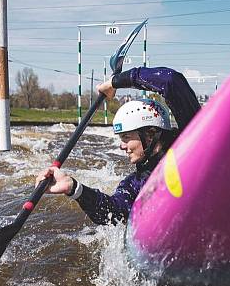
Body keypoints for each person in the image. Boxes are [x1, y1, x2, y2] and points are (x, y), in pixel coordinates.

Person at [36, 66, 201, 225]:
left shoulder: (191, 142)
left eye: (126, 137)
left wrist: (115, 82)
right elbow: (113, 213)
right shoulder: (134, 183)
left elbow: (171, 80)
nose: (122, 146)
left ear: (150, 134)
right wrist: (73, 188)